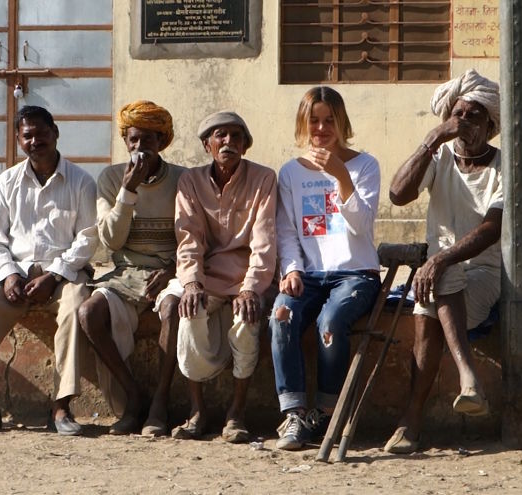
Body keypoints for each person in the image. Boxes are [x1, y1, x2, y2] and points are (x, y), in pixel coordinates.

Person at [0, 105, 98, 435]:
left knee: (76, 310)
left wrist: (55, 275)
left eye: (42, 133)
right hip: (16, 277)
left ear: (55, 133)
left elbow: (88, 240)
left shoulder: (81, 182)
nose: (36, 141)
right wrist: (8, 275)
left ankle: (61, 408)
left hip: (63, 276)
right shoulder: (6, 182)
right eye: (27, 135)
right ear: (19, 140)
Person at [385, 69, 503, 453]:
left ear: (490, 123)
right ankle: (467, 380)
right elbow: (398, 195)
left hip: (482, 274)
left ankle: (411, 421)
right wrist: (429, 142)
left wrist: (440, 260)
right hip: (437, 280)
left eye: (474, 115)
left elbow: (491, 229)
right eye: (459, 115)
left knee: (434, 292)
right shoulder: (440, 157)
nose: (465, 123)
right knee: (427, 316)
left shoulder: (504, 167)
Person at [269, 87, 382, 450]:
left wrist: (341, 178)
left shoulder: (365, 166)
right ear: (304, 124)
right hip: (310, 274)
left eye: (329, 120)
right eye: (314, 121)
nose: (321, 129)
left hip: (355, 273)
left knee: (330, 322)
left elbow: (361, 227)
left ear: (342, 122)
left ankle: (327, 413)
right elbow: (287, 229)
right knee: (282, 313)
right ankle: (295, 413)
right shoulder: (290, 172)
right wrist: (290, 269)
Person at [157, 111, 277, 443]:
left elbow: (264, 241)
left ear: (245, 145)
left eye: (236, 137)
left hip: (246, 277)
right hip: (204, 276)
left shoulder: (264, 178)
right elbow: (188, 238)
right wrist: (192, 282)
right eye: (220, 136)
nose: (228, 143)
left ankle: (236, 412)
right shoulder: (190, 182)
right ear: (207, 145)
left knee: (247, 319)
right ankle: (197, 410)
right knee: (186, 308)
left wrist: (252, 288)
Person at [78, 100, 185, 436]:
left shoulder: (183, 179)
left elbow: (194, 237)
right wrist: (128, 191)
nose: (141, 148)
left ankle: (160, 404)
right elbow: (110, 241)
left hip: (170, 271)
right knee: (88, 313)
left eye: (149, 140)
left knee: (173, 310)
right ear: (126, 141)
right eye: (134, 140)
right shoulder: (111, 179)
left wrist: (171, 271)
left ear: (162, 142)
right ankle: (133, 396)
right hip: (125, 273)